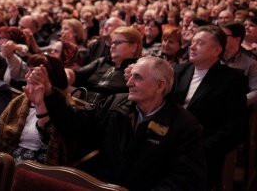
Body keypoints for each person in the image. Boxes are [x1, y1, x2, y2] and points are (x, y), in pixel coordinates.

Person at [28, 56, 206, 190]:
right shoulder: (114, 104)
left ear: (160, 86)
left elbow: (184, 180)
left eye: (137, 78)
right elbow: (75, 126)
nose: (128, 83)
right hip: (102, 186)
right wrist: (50, 93)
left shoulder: (185, 126)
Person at [172, 25, 248, 188]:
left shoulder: (233, 80)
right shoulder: (177, 71)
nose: (192, 47)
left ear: (216, 50)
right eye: (192, 42)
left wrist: (197, 150)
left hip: (202, 152)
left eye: (199, 43)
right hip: (168, 144)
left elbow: (233, 129)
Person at [0, 53, 71, 165]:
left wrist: (40, 104)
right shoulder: (20, 101)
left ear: (49, 78)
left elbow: (51, 143)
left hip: (41, 165)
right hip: (10, 158)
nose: (26, 77)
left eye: (33, 72)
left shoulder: (61, 106)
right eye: (28, 71)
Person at [65, 27, 141, 104]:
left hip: (110, 113)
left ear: (133, 47)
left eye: (117, 42)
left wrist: (137, 78)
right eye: (112, 43)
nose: (112, 46)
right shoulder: (102, 61)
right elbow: (77, 74)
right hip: (83, 106)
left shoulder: (138, 69)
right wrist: (67, 73)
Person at [221, 22, 257, 106]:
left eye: (223, 36)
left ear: (237, 39)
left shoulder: (251, 64)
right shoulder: (212, 58)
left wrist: (236, 103)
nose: (219, 39)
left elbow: (255, 91)